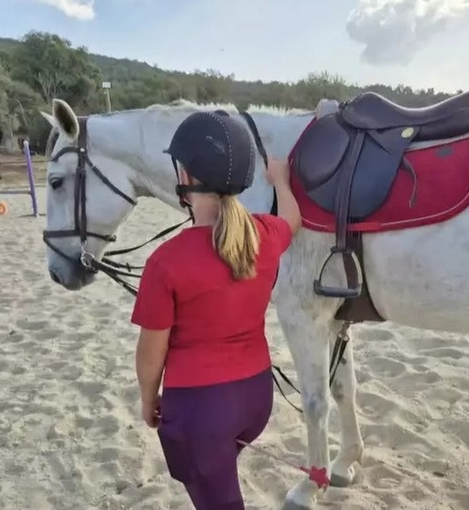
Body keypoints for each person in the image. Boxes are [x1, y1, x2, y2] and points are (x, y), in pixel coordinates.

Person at [130, 109, 301, 509]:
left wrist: (147, 397)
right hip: (256, 400)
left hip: (199, 412)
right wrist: (282, 182)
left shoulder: (165, 262)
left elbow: (151, 352)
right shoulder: (264, 233)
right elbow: (291, 219)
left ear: (185, 177)